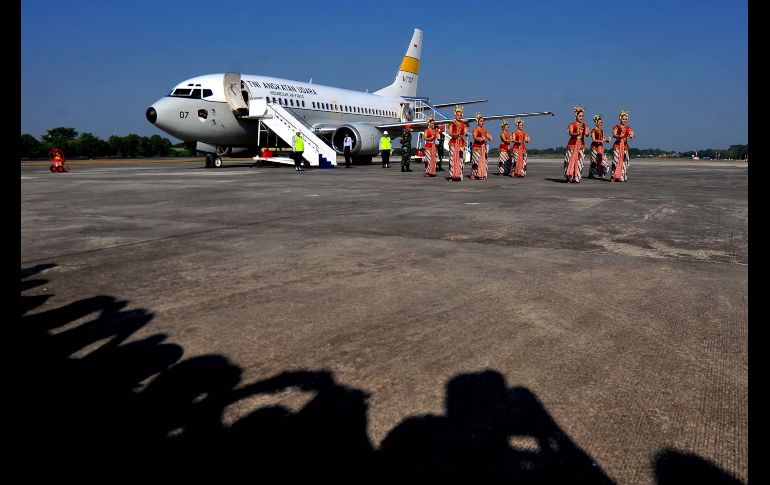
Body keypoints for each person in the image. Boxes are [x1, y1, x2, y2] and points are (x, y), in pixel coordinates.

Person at [564, 105, 588, 183]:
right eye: (580, 116)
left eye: (582, 116)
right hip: (572, 145)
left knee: (580, 162)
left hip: (581, 145)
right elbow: (570, 133)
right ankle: (569, 177)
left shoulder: (585, 125)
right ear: (576, 116)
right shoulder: (572, 124)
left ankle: (576, 178)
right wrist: (577, 133)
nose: (581, 117)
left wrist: (587, 133)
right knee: (569, 161)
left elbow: (587, 133)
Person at [611, 109, 634, 182]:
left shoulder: (628, 128)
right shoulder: (617, 126)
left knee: (624, 161)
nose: (624, 120)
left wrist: (631, 135)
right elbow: (614, 135)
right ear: (620, 118)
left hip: (625, 146)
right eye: (623, 119)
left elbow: (631, 134)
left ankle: (622, 176)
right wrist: (619, 135)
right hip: (617, 146)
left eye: (625, 119)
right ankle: (613, 176)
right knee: (616, 161)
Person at [587, 114, 611, 179]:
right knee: (594, 162)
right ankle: (591, 173)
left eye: (601, 122)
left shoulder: (602, 131)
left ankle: (601, 173)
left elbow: (604, 139)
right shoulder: (593, 130)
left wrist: (608, 140)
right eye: (600, 122)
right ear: (596, 122)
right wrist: (603, 140)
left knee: (602, 161)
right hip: (594, 148)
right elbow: (594, 140)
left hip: (600, 148)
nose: (601, 123)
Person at [470, 113, 492, 180]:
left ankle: (481, 174)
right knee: (476, 161)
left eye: (482, 121)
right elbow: (475, 137)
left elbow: (488, 135)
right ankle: (473, 174)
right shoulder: (475, 129)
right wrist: (480, 139)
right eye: (480, 121)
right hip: (477, 147)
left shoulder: (484, 130)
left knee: (483, 161)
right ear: (477, 121)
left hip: (483, 148)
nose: (482, 122)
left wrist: (490, 137)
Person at [448, 105, 467, 181]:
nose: (459, 116)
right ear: (455, 115)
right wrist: (454, 134)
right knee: (452, 159)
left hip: (461, 143)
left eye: (460, 115)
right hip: (453, 142)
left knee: (460, 159)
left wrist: (464, 133)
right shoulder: (452, 123)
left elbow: (465, 132)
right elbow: (450, 133)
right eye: (457, 115)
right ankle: (451, 176)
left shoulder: (463, 124)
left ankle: (459, 175)